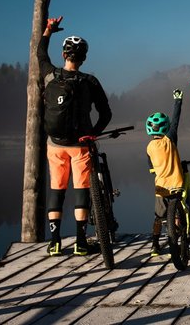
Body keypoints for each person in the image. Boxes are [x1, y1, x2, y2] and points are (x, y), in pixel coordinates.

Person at [39, 16, 112, 256]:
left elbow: (40, 53)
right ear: (84, 58)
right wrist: (93, 134)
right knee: (81, 189)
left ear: (64, 55)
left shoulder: (50, 75)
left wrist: (49, 30)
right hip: (81, 145)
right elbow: (106, 113)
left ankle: (55, 241)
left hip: (55, 144)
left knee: (56, 188)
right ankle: (81, 241)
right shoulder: (90, 81)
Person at [145, 89, 184, 257]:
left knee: (158, 217)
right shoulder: (170, 140)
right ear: (166, 128)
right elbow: (176, 120)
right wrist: (178, 100)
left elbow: (151, 168)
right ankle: (175, 237)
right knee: (176, 214)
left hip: (160, 187)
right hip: (176, 184)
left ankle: (155, 244)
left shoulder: (149, 147)